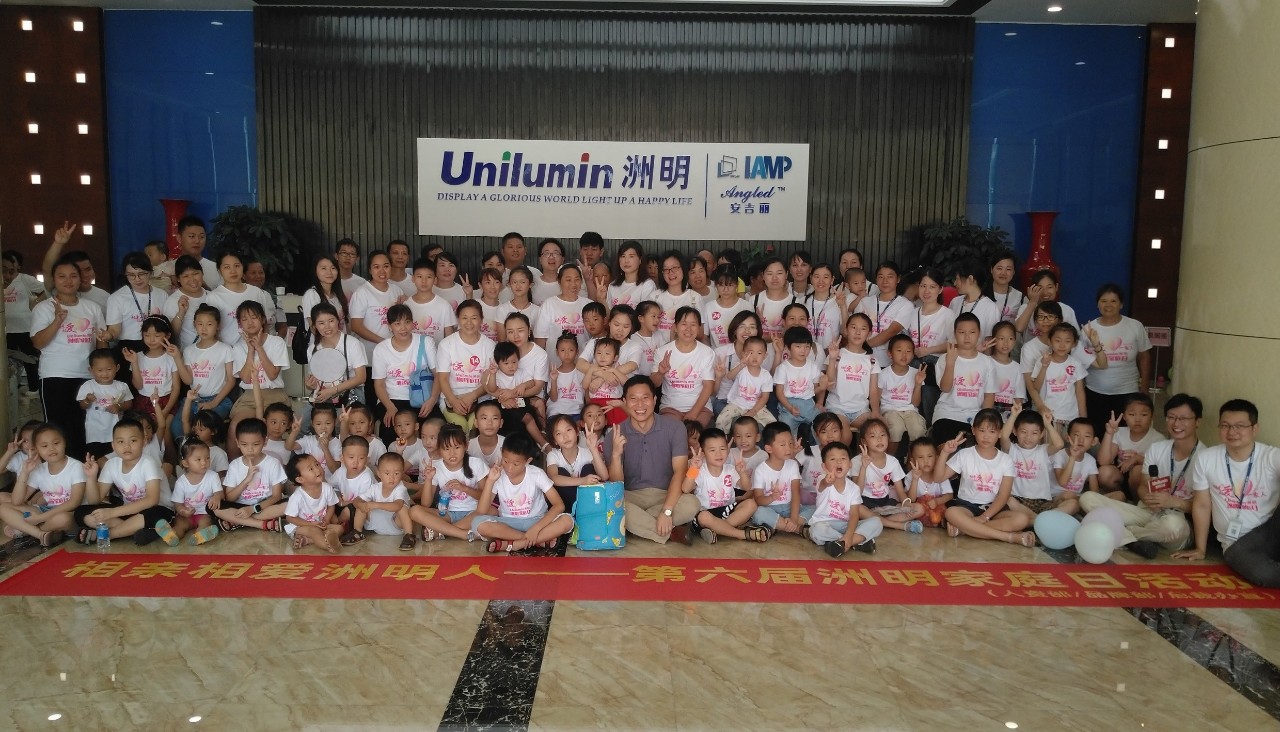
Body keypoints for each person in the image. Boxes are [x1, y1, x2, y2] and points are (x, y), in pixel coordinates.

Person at [1173, 400, 1280, 588]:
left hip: (1270, 531)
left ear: (1254, 428)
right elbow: (1202, 505)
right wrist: (1200, 548)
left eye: (1240, 426)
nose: (1232, 432)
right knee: (1264, 574)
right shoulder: (1207, 459)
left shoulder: (1271, 457)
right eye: (1225, 426)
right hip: (1236, 543)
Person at [1082, 395, 1200, 559]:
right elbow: (1143, 487)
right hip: (1147, 512)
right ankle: (1137, 538)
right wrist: (1149, 498)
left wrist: (1173, 502)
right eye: (1172, 417)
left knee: (1173, 528)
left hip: (1176, 518)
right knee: (1087, 498)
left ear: (1197, 421)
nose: (1176, 423)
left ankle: (1123, 534)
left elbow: (1204, 506)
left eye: (1184, 418)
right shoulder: (1157, 448)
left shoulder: (1205, 457)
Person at [603, 376, 699, 544]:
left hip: (665, 494)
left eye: (645, 398)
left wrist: (667, 511)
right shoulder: (614, 434)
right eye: (633, 399)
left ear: (654, 400)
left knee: (692, 503)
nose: (640, 405)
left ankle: (638, 526)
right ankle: (671, 532)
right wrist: (616, 455)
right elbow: (616, 485)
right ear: (624, 402)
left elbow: (680, 471)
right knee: (610, 504)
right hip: (630, 496)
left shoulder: (675, 428)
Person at [32, 255, 108, 456]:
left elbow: (101, 345)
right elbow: (38, 343)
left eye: (73, 276)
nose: (68, 281)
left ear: (80, 278)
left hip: (86, 377)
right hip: (55, 377)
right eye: (62, 276)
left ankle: (85, 469)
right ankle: (60, 471)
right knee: (57, 429)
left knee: (85, 427)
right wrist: (57, 321)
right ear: (53, 280)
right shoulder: (44, 308)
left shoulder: (92, 308)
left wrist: (101, 374)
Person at [931, 408, 1036, 547]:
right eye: (982, 430)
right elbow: (938, 478)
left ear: (1000, 433)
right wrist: (945, 452)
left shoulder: (1006, 460)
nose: (986, 436)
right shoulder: (965, 455)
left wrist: (985, 516)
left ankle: (965, 529)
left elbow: (1004, 496)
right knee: (951, 513)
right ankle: (1008, 537)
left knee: (1021, 519)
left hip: (993, 508)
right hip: (966, 506)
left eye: (992, 432)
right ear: (973, 430)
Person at [73, 418, 175, 545]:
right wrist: (91, 478)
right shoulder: (111, 464)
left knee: (153, 515)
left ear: (143, 442)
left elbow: (152, 500)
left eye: (133, 440)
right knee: (81, 512)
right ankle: (138, 531)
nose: (127, 446)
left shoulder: (148, 463)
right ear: (113, 445)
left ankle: (106, 535)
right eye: (120, 441)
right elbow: (95, 500)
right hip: (130, 512)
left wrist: (112, 513)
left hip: (158, 509)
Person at [473, 434, 574, 553]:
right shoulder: (498, 475)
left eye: (516, 464)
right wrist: (490, 480)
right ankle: (534, 540)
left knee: (567, 521)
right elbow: (482, 510)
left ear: (528, 461)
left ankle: (514, 544)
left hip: (537, 520)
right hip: (509, 524)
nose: (509, 468)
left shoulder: (537, 474)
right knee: (478, 523)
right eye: (506, 461)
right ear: (501, 452)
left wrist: (536, 528)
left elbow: (559, 505)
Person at [1082, 284, 1153, 437]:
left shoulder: (1135, 326)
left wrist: (1145, 386)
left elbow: (1144, 356)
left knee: (1125, 434)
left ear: (1121, 304)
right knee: (1098, 433)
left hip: (1127, 392)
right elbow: (1081, 362)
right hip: (1095, 392)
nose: (1108, 305)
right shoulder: (1088, 329)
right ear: (1097, 304)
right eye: (1103, 301)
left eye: (1113, 301)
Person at [0, 424, 84, 548]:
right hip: (45, 511)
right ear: (36, 449)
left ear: (64, 443)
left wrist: (40, 518)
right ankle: (41, 534)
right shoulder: (39, 469)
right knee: (4, 508)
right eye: (44, 446)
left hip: (70, 513)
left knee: (63, 519)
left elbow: (74, 502)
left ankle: (27, 530)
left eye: (56, 443)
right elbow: (16, 501)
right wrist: (25, 472)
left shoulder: (76, 466)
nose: (51, 449)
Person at [681, 427, 767, 544]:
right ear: (703, 452)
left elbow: (747, 487)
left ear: (727, 449)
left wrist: (742, 472)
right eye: (712, 450)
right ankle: (742, 534)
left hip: (727, 511)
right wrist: (693, 469)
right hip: (706, 512)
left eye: (722, 448)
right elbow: (686, 489)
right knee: (703, 517)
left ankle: (719, 530)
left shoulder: (730, 469)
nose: (718, 454)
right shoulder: (700, 471)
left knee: (751, 504)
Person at [227, 301, 290, 456]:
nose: (250, 322)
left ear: (262, 319)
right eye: (244, 319)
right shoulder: (238, 347)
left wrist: (259, 348)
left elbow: (272, 374)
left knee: (274, 427)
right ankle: (234, 467)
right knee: (236, 426)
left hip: (274, 395)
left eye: (254, 317)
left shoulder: (276, 342)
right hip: (249, 397)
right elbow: (246, 379)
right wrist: (250, 351)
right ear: (240, 323)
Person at [371, 304, 439, 442]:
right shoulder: (381, 349)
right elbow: (379, 384)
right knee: (391, 432)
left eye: (407, 322)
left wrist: (432, 400)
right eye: (397, 324)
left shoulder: (426, 342)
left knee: (435, 429)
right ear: (390, 326)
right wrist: (390, 407)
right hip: (392, 399)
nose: (403, 328)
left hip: (422, 398)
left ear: (412, 323)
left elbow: (438, 375)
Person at [209, 418, 287, 532]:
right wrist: (247, 479)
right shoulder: (235, 465)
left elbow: (276, 496)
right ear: (237, 443)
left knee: (289, 504)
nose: (250, 449)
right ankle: (263, 524)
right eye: (244, 444)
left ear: (265, 441)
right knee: (215, 508)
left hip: (264, 505)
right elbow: (230, 498)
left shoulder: (273, 463)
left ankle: (238, 521)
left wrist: (252, 509)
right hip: (240, 506)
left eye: (256, 444)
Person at [806, 441, 883, 556]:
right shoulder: (822, 479)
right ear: (824, 466)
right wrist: (827, 481)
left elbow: (854, 515)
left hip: (845, 525)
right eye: (833, 459)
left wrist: (849, 534)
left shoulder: (854, 488)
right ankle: (856, 542)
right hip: (825, 524)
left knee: (877, 522)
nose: (838, 462)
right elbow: (823, 484)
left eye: (843, 458)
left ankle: (841, 543)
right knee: (816, 530)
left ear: (850, 464)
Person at [930, 313, 996, 446]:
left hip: (975, 416)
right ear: (955, 334)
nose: (967, 337)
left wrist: (984, 420)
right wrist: (950, 363)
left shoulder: (987, 362)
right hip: (947, 414)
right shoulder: (945, 358)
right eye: (961, 332)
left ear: (979, 333)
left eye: (972, 332)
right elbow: (945, 388)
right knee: (946, 447)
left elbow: (989, 396)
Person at [172, 304, 234, 442]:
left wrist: (213, 403)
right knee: (177, 426)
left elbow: (231, 380)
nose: (204, 328)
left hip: (218, 400)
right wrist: (177, 358)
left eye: (209, 324)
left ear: (218, 326)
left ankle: (206, 452)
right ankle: (187, 452)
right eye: (200, 324)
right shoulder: (189, 350)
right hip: (194, 399)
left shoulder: (225, 349)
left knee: (204, 426)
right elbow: (188, 380)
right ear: (194, 325)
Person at [411, 424, 484, 541]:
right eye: (446, 449)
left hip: (473, 512)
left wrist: (464, 488)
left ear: (466, 446)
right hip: (448, 514)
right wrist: (428, 479)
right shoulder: (437, 467)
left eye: (457, 447)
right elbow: (425, 504)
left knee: (491, 510)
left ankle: (443, 531)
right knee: (414, 511)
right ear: (439, 450)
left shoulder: (476, 464)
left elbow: (485, 497)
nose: (452, 453)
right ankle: (462, 534)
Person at [851, 418, 925, 532]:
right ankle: (898, 525)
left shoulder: (892, 462)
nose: (879, 439)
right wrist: (864, 467)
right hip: (864, 503)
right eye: (873, 436)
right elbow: (857, 493)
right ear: (864, 441)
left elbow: (900, 492)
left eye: (883, 435)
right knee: (857, 509)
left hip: (885, 503)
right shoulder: (857, 461)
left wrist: (906, 504)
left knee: (919, 509)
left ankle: (878, 522)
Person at [1000, 405, 1072, 519]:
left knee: (1073, 503)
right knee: (1008, 500)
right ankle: (1041, 519)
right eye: (1023, 432)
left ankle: (1035, 519)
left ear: (1041, 434)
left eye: (1034, 433)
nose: (1028, 437)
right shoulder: (1011, 449)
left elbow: (1059, 444)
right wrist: (1013, 415)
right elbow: (1003, 436)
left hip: (1042, 501)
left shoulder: (1043, 450)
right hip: (1018, 500)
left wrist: (1047, 424)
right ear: (1015, 431)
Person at [651, 307, 717, 427]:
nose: (688, 329)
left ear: (699, 328)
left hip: (701, 409)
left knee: (694, 433)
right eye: (684, 324)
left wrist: (693, 413)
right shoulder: (662, 351)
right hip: (670, 408)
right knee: (673, 432)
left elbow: (708, 386)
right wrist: (660, 373)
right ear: (675, 327)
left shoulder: (707, 352)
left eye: (693, 325)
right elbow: (654, 384)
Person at [436, 300, 495, 432]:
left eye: (474, 318)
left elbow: (489, 381)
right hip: (451, 398)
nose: (469, 323)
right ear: (458, 319)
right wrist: (453, 401)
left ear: (481, 320)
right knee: (460, 427)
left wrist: (473, 395)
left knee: (476, 426)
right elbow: (442, 378)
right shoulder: (446, 344)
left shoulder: (489, 346)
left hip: (480, 399)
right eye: (464, 318)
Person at [341, 452, 416, 550]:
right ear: (379, 474)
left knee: (402, 508)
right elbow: (356, 500)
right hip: (377, 523)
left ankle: (409, 535)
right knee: (362, 505)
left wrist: (375, 505)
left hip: (395, 525)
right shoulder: (375, 488)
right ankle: (357, 532)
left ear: (402, 474)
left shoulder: (400, 488)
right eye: (387, 473)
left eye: (396, 473)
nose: (392, 477)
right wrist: (361, 505)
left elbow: (397, 505)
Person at [824, 313, 880, 446]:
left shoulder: (871, 360)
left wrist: (876, 411)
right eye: (853, 327)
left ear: (869, 334)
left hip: (861, 410)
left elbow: (873, 391)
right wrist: (832, 359)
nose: (858, 332)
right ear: (846, 330)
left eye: (863, 328)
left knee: (876, 432)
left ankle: (864, 459)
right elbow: (829, 386)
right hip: (837, 407)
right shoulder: (836, 354)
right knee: (846, 436)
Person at [155, 438, 221, 546]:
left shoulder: (213, 476)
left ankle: (199, 536)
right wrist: (183, 511)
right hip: (186, 515)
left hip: (204, 513)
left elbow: (219, 493)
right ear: (185, 463)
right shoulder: (181, 482)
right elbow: (178, 503)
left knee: (206, 523)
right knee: (180, 525)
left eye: (207, 458)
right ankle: (172, 535)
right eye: (198, 459)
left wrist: (216, 497)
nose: (204, 462)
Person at [749, 422, 811, 534]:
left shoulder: (792, 464)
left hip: (789, 507)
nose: (789, 448)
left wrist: (793, 518)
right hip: (770, 508)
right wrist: (772, 497)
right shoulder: (760, 470)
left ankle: (780, 525)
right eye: (783, 445)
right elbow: (758, 499)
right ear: (769, 448)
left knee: (815, 509)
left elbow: (795, 493)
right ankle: (797, 529)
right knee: (758, 512)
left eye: (790, 443)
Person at [1097, 394, 1163, 498]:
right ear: (1124, 417)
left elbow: (1161, 467)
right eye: (1132, 414)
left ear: (1152, 416)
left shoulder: (1158, 439)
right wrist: (1109, 433)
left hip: (1143, 479)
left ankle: (1137, 502)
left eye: (1144, 415)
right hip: (1121, 474)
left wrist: (1137, 459)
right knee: (1104, 472)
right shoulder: (1120, 432)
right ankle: (1120, 497)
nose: (1137, 419)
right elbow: (1103, 461)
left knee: (1137, 470)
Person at [206, 251, 275, 346]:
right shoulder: (213, 297)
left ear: (242, 267)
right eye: (227, 267)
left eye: (237, 266)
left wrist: (265, 347)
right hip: (229, 351)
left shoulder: (256, 292)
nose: (233, 271)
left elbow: (265, 324)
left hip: (257, 349)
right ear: (219, 271)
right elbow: (212, 330)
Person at [305, 302, 368, 407]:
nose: (327, 327)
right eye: (321, 323)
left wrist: (333, 390)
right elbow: (315, 379)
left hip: (350, 395)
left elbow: (361, 377)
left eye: (331, 321)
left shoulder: (352, 343)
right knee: (307, 416)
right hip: (323, 395)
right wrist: (310, 385)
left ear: (338, 321)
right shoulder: (313, 349)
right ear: (314, 326)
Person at [348, 250, 403, 366]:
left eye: (386, 266)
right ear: (369, 270)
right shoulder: (362, 293)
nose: (382, 271)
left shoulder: (397, 291)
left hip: (394, 354)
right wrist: (383, 342)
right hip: (370, 355)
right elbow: (356, 326)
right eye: (376, 267)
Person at [78, 349, 134, 459]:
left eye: (109, 369)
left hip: (116, 431)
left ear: (117, 368)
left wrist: (119, 406)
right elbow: (82, 406)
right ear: (91, 370)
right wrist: (87, 400)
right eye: (100, 370)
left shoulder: (121, 386)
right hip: (95, 432)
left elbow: (129, 404)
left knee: (116, 458)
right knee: (96, 458)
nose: (104, 374)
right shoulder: (88, 386)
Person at [878, 333, 929, 456]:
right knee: (896, 428)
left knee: (918, 429)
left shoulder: (916, 373)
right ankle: (889, 459)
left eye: (908, 351)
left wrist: (918, 384)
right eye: (899, 350)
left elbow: (915, 403)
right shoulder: (883, 374)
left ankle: (912, 461)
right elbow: (876, 397)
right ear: (890, 354)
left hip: (910, 410)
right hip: (890, 410)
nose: (904, 355)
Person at [3, 250, 46, 391]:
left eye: (13, 263)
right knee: (8, 361)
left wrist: (35, 303)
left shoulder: (25, 279)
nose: (10, 267)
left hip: (25, 328)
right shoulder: (3, 280)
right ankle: (11, 388)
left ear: (18, 265)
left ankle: (34, 388)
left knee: (30, 359)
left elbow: (45, 290)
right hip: (6, 329)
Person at [856, 261, 913, 365]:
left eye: (890, 277)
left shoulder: (905, 305)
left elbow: (891, 331)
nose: (885, 281)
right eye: (881, 277)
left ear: (898, 279)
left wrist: (861, 347)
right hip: (863, 360)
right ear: (876, 279)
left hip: (888, 362)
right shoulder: (865, 301)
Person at [714, 336, 775, 432]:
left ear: (765, 356)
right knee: (721, 420)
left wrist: (753, 411)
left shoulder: (766, 375)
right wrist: (741, 365)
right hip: (736, 404)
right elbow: (729, 376)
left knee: (773, 424)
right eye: (750, 353)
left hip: (756, 407)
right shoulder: (741, 368)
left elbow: (765, 397)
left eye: (759, 353)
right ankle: (723, 439)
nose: (755, 357)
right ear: (743, 354)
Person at [42, 222, 110, 309]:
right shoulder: (57, 291)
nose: (84, 275)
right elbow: (47, 269)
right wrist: (58, 243)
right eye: (78, 272)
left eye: (88, 269)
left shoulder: (106, 297)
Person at [282, 453, 342, 552]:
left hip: (320, 524)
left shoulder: (327, 488)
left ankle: (308, 540)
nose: (317, 469)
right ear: (300, 479)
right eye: (311, 469)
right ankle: (328, 546)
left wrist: (327, 519)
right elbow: (290, 518)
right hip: (302, 526)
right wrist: (310, 524)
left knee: (339, 528)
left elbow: (331, 506)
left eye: (317, 464)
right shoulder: (297, 496)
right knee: (315, 531)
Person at [534, 264, 590, 355]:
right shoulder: (549, 305)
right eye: (568, 280)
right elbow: (540, 339)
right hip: (554, 362)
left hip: (583, 362)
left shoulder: (588, 304)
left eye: (577, 280)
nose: (573, 284)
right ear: (559, 281)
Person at [405, 258, 457, 345]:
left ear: (435, 280)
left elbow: (449, 338)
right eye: (419, 276)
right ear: (413, 278)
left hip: (437, 353)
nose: (424, 281)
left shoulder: (444, 306)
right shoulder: (406, 305)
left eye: (429, 277)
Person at [161, 255, 209, 348]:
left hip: (213, 352)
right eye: (185, 276)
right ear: (178, 279)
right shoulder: (173, 301)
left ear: (202, 273)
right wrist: (181, 313)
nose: (192, 279)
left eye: (195, 274)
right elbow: (169, 335)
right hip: (187, 354)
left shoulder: (212, 296)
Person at [654, 250, 702, 344]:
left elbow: (700, 334)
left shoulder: (695, 298)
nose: (670, 273)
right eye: (666, 269)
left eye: (675, 268)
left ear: (683, 269)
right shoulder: (655, 297)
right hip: (657, 349)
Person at [948, 261, 1001, 343]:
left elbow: (990, 342)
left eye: (957, 279)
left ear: (970, 279)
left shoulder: (990, 307)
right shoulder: (955, 302)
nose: (955, 283)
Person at [703, 265, 750, 348]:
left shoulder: (747, 306)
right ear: (716, 285)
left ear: (737, 285)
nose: (726, 289)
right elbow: (705, 336)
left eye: (730, 285)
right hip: (717, 354)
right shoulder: (708, 308)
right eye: (721, 285)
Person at [300, 255, 349, 331]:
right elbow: (313, 328)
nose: (329, 272)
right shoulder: (312, 295)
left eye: (333, 268)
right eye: (323, 268)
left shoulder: (337, 295)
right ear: (315, 271)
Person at [533, 238, 567, 305]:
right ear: (540, 259)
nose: (551, 257)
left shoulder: (568, 283)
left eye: (556, 253)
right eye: (546, 253)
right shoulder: (532, 283)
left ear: (562, 259)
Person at [577, 231, 606, 301]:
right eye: (585, 249)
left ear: (601, 252)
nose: (589, 253)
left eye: (594, 249)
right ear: (580, 251)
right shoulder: (572, 272)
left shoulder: (607, 273)